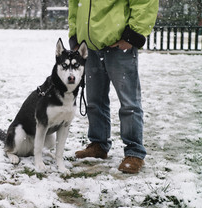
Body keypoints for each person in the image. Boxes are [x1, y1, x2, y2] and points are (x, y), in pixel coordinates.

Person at [68, 0, 159, 174]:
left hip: (119, 44)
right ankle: (98, 144)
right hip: (89, 47)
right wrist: (75, 36)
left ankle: (134, 152)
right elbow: (74, 5)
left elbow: (145, 2)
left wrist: (132, 35)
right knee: (94, 100)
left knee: (129, 103)